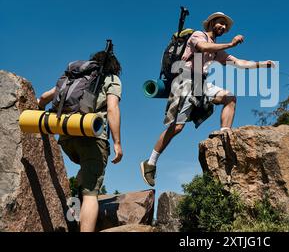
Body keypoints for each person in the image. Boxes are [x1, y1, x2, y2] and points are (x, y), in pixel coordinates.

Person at [140, 12, 275, 187]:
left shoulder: (217, 49)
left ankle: (224, 135)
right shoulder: (198, 35)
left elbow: (239, 63)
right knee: (177, 127)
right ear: (211, 23)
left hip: (201, 83)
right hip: (186, 79)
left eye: (225, 26)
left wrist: (262, 64)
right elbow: (202, 47)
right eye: (221, 23)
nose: (224, 27)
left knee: (230, 98)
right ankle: (150, 163)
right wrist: (231, 44)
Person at [37, 50, 123, 232]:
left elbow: (46, 97)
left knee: (84, 175)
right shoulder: (111, 79)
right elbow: (112, 108)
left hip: (68, 136)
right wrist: (117, 143)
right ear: (115, 67)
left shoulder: (75, 78)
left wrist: (39, 107)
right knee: (91, 193)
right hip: (91, 135)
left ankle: (73, 216)